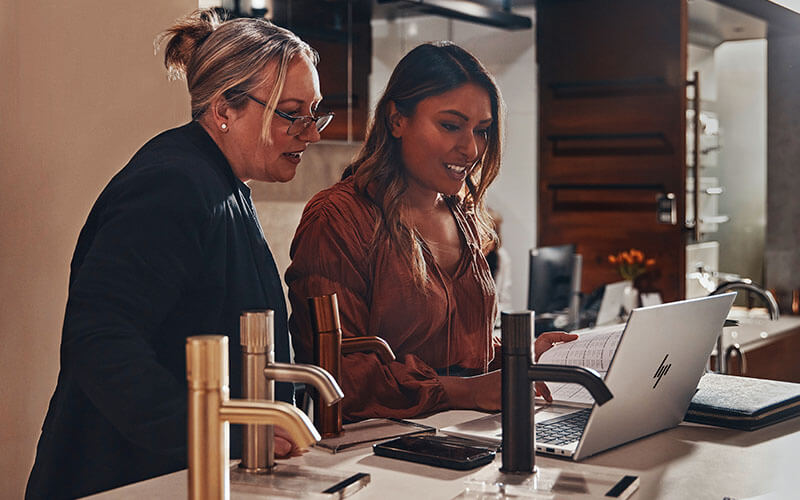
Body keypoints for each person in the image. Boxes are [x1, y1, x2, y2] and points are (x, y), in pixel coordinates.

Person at [25, 9, 331, 499]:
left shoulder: (217, 182)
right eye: (292, 113)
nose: (312, 133)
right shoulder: (174, 184)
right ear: (224, 109)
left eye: (315, 113)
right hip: (126, 482)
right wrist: (219, 431)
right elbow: (100, 340)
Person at [286, 42, 575, 422]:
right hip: (379, 456)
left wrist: (523, 358)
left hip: (467, 436)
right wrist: (470, 392)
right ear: (396, 120)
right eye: (451, 126)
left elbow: (461, 350)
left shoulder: (462, 214)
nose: (471, 149)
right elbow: (341, 376)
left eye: (482, 131)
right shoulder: (339, 218)